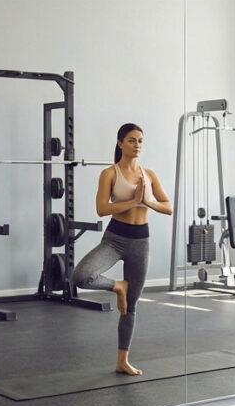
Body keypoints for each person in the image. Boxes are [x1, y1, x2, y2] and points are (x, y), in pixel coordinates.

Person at [72, 123, 172, 375]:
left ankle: (122, 361)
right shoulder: (110, 173)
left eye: (140, 141)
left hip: (141, 240)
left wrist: (146, 201)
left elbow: (168, 206)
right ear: (119, 143)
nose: (137, 145)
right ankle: (119, 286)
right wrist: (132, 201)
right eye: (131, 140)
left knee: (132, 306)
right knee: (80, 276)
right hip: (115, 238)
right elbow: (102, 209)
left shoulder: (148, 174)